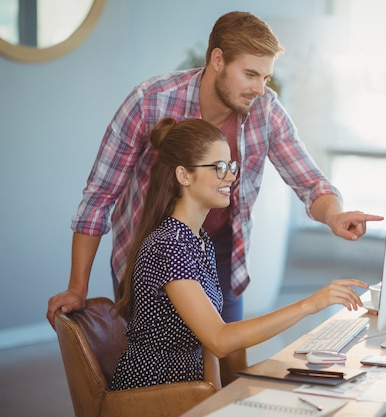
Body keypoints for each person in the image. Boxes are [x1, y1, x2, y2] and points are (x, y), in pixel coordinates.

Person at [46, 10, 383, 384]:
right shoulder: (150, 102)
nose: (260, 88)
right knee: (162, 361)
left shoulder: (265, 110)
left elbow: (310, 182)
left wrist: (334, 215)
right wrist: (78, 287)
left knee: (225, 361)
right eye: (250, 74)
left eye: (266, 77)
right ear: (217, 60)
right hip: (149, 248)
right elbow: (99, 199)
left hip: (215, 247)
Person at [109, 117, 367, 391]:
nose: (231, 176)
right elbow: (219, 339)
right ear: (184, 175)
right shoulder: (168, 245)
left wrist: (218, 398)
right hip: (154, 395)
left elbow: (207, 346)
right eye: (219, 167)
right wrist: (310, 304)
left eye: (231, 166)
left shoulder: (198, 240)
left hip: (191, 392)